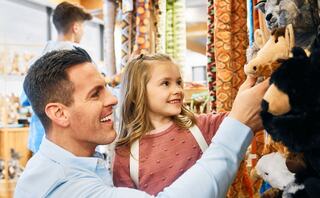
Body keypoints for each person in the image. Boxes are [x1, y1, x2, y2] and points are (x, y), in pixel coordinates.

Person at [15, 47, 268, 197]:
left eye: (106, 88)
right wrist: (238, 125)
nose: (113, 100)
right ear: (59, 113)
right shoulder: (64, 187)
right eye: (95, 94)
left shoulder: (72, 166)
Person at [113, 54, 228, 194]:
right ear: (138, 92)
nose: (178, 90)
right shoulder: (126, 154)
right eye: (166, 83)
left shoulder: (203, 126)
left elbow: (245, 115)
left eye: (179, 82)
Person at [20, 1, 92, 153]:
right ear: (76, 27)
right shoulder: (78, 58)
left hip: (39, 142)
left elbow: (25, 99)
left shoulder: (36, 59)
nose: (83, 32)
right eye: (83, 28)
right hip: (68, 145)